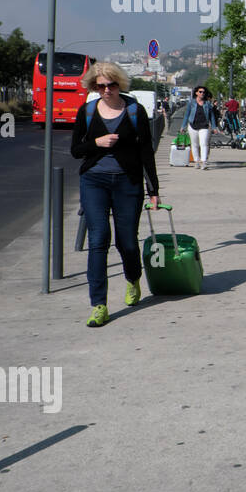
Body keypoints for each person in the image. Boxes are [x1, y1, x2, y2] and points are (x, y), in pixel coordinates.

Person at [70, 62, 161, 327]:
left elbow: (146, 151)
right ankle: (99, 305)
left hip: (127, 182)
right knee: (98, 240)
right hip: (94, 181)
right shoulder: (87, 111)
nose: (107, 90)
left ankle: (133, 278)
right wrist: (96, 143)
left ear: (119, 84)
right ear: (93, 87)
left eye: (111, 85)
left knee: (127, 242)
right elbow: (76, 150)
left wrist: (153, 190)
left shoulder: (134, 111)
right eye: (101, 86)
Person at [180, 86, 216, 171]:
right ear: (196, 93)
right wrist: (183, 126)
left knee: (203, 143)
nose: (202, 93)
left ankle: (204, 162)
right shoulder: (191, 103)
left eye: (203, 92)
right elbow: (186, 115)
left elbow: (212, 116)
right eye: (200, 92)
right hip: (193, 126)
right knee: (194, 144)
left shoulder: (207, 104)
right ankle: (197, 161)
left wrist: (214, 127)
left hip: (204, 126)